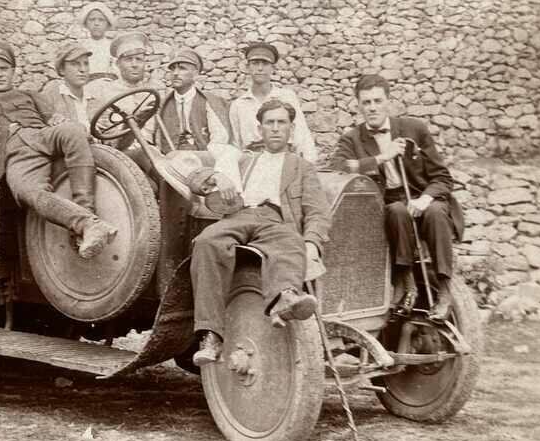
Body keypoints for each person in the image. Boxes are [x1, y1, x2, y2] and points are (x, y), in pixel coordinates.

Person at [187, 99, 329, 366]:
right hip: (240, 215)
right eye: (269, 123)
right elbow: (193, 176)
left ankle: (286, 299)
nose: (275, 128)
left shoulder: (301, 166)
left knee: (291, 241)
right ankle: (210, 336)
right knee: (206, 242)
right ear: (260, 129)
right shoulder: (242, 160)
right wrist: (218, 177)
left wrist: (313, 242)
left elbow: (317, 211)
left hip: (276, 220)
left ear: (291, 128)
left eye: (281, 123)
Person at [0, 43, 117, 259]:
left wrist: (69, 126)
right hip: (16, 153)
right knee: (28, 192)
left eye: (4, 68)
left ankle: (87, 215)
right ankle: (87, 224)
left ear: (13, 71)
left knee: (73, 131)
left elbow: (54, 118)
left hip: (43, 136)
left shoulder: (29, 95)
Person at [328, 74, 464, 321]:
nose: (372, 108)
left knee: (435, 213)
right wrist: (381, 158)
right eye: (366, 102)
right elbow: (337, 167)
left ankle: (444, 290)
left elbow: (442, 177)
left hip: (422, 197)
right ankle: (406, 282)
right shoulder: (353, 138)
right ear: (358, 105)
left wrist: (425, 199)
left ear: (388, 102)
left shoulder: (415, 129)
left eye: (377, 101)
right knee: (397, 211)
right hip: (385, 204)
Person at [228, 41, 318, 164]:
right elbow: (235, 144)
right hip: (252, 162)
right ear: (247, 67)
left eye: (265, 63)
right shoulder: (239, 105)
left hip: (285, 160)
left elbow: (302, 135)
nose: (260, 68)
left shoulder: (286, 97)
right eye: (255, 63)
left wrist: (309, 165)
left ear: (273, 68)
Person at [145, 48, 233, 153]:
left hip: (202, 160)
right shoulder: (160, 106)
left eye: (182, 68)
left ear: (195, 74)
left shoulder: (210, 102)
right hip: (168, 162)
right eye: (173, 69)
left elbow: (219, 138)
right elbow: (146, 135)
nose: (175, 73)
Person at [42, 43, 93, 132]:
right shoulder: (51, 95)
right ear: (62, 70)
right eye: (75, 64)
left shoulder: (94, 97)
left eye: (86, 63)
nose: (82, 69)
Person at [74, 2, 117, 80]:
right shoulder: (80, 47)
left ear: (108, 24)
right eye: (92, 20)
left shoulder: (113, 47)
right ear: (86, 24)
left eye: (101, 20)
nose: (96, 23)